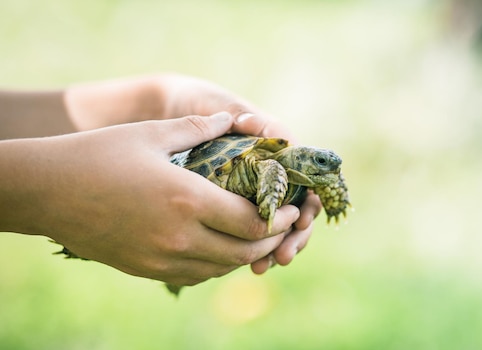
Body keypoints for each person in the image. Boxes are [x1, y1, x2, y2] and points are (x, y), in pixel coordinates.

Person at [0, 73, 321, 288]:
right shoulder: (273, 168)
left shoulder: (298, 173)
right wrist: (51, 189)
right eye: (319, 162)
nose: (327, 168)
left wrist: (156, 101)